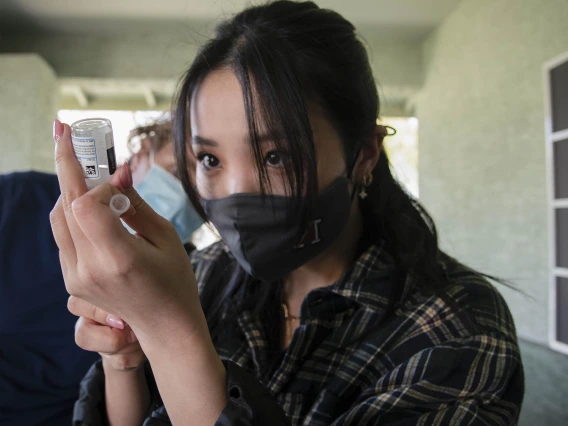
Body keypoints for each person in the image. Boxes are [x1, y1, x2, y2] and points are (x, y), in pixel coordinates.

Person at [50, 2, 524, 425]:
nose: (235, 193)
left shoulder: (457, 329)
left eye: (275, 156)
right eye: (210, 160)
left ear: (363, 155)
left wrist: (171, 332)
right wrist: (126, 359)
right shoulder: (204, 274)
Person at [0, 171, 99, 426]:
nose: (186, 186)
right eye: (173, 169)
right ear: (143, 154)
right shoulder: (27, 197)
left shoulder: (185, 277)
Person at [126, 119, 204, 252]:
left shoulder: (196, 270)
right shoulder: (81, 210)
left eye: (198, 195)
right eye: (178, 173)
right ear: (141, 154)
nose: (182, 202)